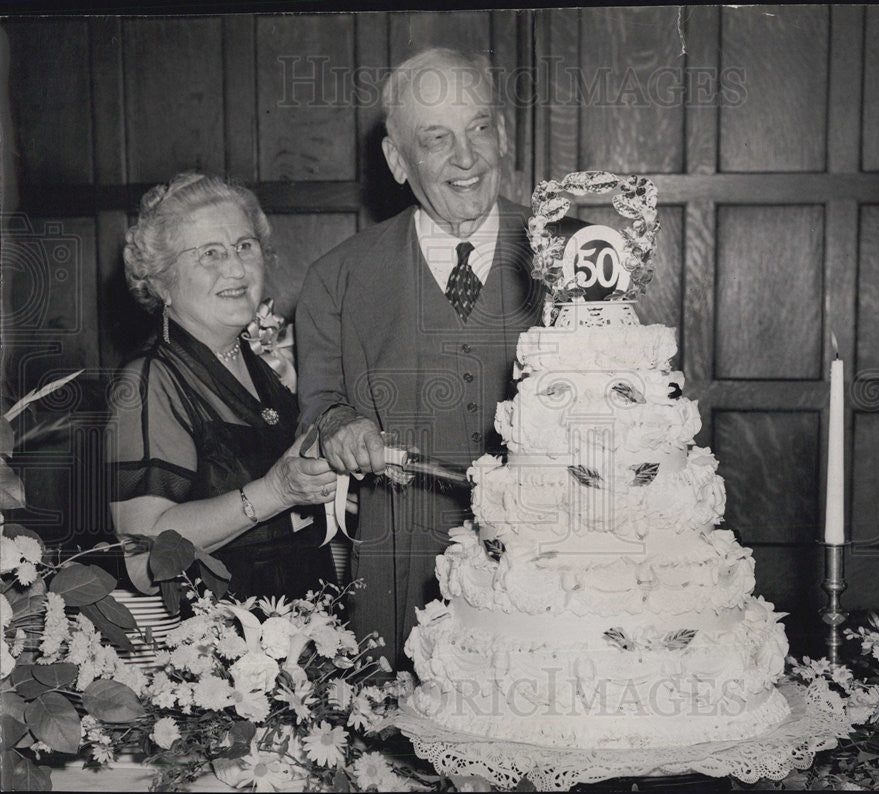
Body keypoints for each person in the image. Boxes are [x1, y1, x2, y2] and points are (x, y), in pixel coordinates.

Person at [296, 47, 583, 666]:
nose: (465, 158)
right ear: (398, 161)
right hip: (403, 575)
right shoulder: (336, 278)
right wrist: (342, 426)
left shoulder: (578, 256)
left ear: (502, 135)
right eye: (436, 138)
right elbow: (319, 406)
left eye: (479, 128)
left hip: (557, 568)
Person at [107, 172, 342, 599]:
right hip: (222, 642)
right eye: (210, 253)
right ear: (161, 282)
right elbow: (144, 558)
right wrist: (275, 491)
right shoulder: (148, 382)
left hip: (304, 624)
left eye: (244, 246)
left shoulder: (258, 365)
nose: (236, 268)